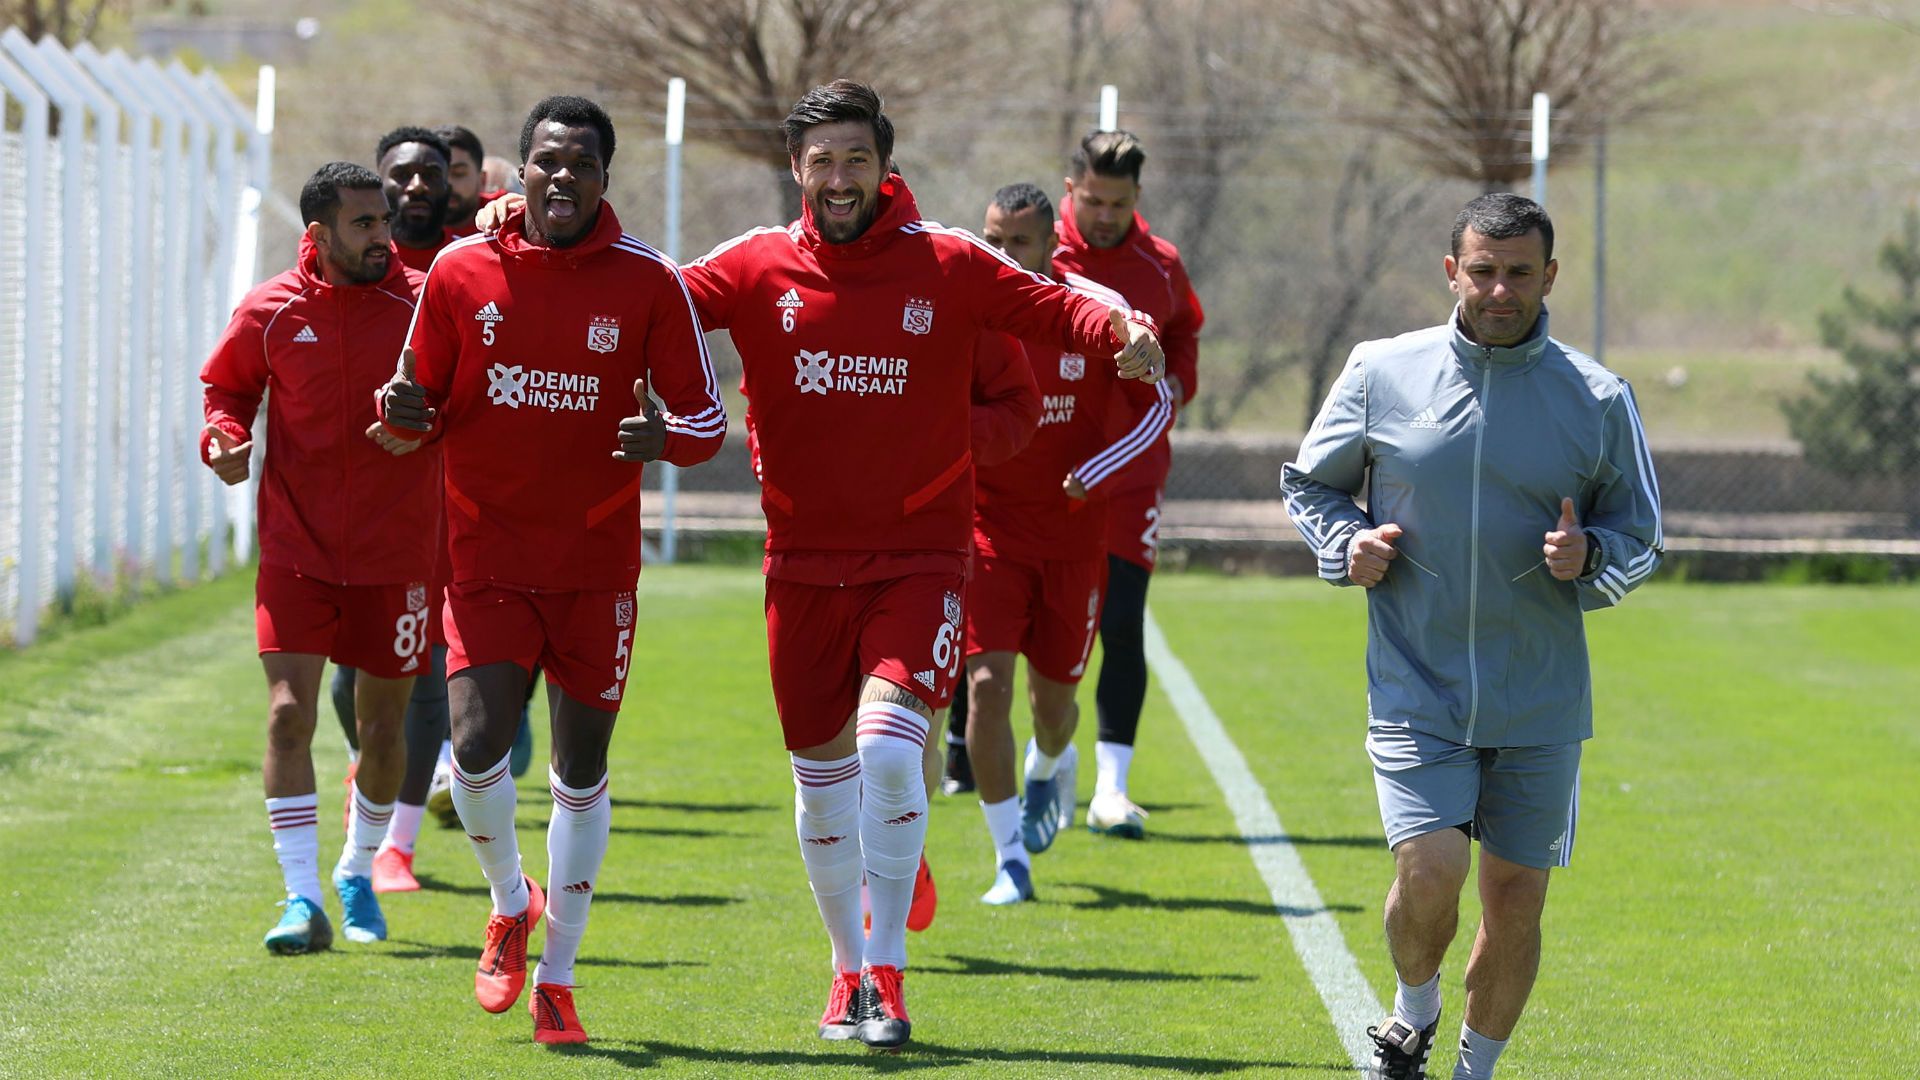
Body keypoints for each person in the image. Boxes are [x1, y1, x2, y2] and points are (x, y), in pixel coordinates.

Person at [679, 81, 1163, 1050]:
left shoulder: (944, 262)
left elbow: (1048, 306)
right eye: (822, 160)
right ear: (796, 169)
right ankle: (845, 969)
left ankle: (890, 975)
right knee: (821, 790)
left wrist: (1123, 334)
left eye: (858, 158)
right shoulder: (757, 266)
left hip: (920, 561)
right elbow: (647, 295)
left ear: (884, 162)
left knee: (893, 754)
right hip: (800, 568)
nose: (840, 178)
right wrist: (523, 224)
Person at [1281, 193, 1663, 1080]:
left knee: (1517, 900)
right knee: (1430, 870)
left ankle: (1473, 1069)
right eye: (1482, 270)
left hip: (1540, 695)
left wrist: (1588, 556)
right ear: (1451, 272)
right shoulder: (1382, 370)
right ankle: (1414, 1007)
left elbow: (1640, 535)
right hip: (1417, 683)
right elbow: (1311, 484)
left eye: (1519, 273)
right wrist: (1349, 544)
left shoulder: (1598, 396)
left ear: (1549, 277)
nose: (1499, 290)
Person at [377, 95, 726, 1046]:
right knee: (479, 744)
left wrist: (665, 437)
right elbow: (421, 401)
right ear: (516, 172)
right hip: (486, 553)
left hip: (596, 566)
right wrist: (405, 416)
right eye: (546, 160)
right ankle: (508, 904)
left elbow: (708, 419)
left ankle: (560, 979)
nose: (561, 176)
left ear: (605, 177)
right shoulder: (460, 268)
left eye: (580, 162)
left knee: (581, 769)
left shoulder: (648, 281)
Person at [199, 161, 439, 953]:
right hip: (297, 551)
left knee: (381, 731)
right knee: (288, 715)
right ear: (318, 234)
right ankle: (301, 898)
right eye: (365, 224)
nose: (385, 235)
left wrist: (426, 428)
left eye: (385, 221)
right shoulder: (270, 310)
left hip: (400, 555)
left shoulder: (424, 300)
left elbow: (467, 393)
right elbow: (227, 391)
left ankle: (357, 868)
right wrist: (223, 438)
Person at [963, 182, 1172, 904]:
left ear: (1052, 243)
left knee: (1054, 708)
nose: (1002, 255)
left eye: (1017, 241)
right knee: (986, 690)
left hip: (1073, 542)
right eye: (991, 239)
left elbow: (1158, 401)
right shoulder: (967, 306)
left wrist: (1098, 470)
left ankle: (1051, 762)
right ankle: (1009, 859)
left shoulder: (1097, 310)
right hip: (987, 535)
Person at [1046, 130, 1204, 840]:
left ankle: (1111, 787)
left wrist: (1175, 380)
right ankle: (967, 750)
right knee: (1008, 617)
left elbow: (1185, 335)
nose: (1104, 214)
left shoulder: (1159, 265)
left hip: (1131, 473)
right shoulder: (1035, 254)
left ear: (1137, 198)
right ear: (1069, 191)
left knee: (1120, 621)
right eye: (1093, 199)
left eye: (1118, 202)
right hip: (1039, 467)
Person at [377, 126, 454, 273]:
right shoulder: (355, 262)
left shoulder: (470, 258)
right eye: (401, 175)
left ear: (448, 189)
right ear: (378, 188)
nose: (417, 186)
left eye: (431, 175)